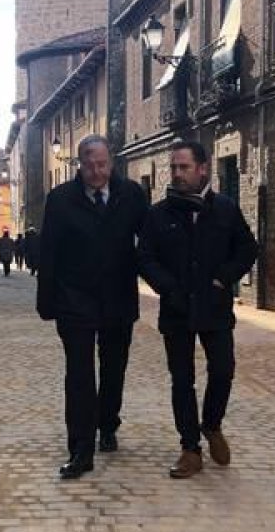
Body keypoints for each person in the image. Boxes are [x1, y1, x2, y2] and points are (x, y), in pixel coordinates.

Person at [138, 140, 259, 480]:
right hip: (176, 309)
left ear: (202, 169)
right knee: (182, 380)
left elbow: (247, 248)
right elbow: (145, 257)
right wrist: (169, 287)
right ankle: (190, 448)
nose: (177, 173)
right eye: (173, 167)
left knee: (223, 370)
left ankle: (212, 425)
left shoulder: (225, 209)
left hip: (214, 307)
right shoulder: (158, 213)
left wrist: (224, 278)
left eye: (184, 167)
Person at [37, 135, 149, 480]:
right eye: (89, 165)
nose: (96, 172)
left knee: (114, 368)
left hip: (118, 298)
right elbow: (49, 252)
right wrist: (47, 301)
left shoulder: (131, 195)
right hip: (75, 300)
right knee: (80, 376)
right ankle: (81, 450)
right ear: (79, 165)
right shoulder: (60, 200)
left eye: (101, 164)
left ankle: (108, 423)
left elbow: (149, 243)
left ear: (111, 163)